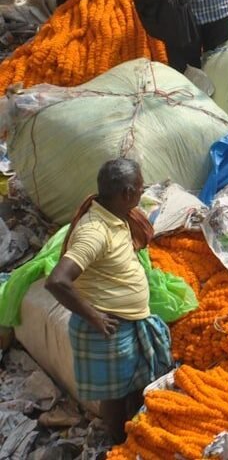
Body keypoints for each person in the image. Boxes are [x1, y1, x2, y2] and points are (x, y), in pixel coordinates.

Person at [44, 159, 172, 443]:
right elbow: (57, 281)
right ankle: (116, 445)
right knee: (113, 398)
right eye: (140, 188)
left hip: (129, 323)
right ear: (126, 193)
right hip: (108, 327)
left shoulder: (117, 214)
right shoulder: (94, 231)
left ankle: (132, 435)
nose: (143, 192)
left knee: (132, 388)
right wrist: (95, 316)